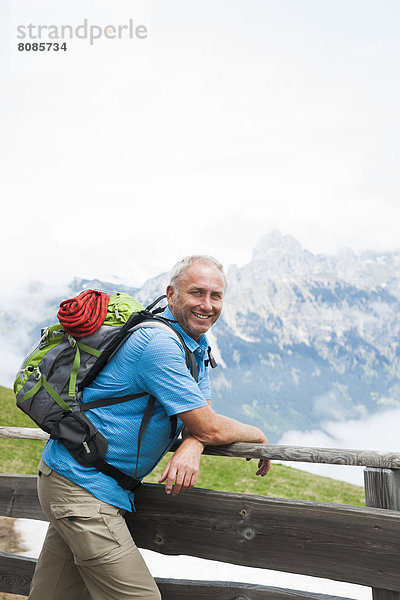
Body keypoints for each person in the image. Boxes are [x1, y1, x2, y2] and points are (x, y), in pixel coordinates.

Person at [29, 255, 270, 600]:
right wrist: (256, 435)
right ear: (170, 294)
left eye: (216, 296)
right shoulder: (158, 345)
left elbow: (202, 418)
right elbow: (210, 427)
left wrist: (193, 444)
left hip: (68, 479)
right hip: (82, 490)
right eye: (197, 293)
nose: (207, 304)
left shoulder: (194, 345)